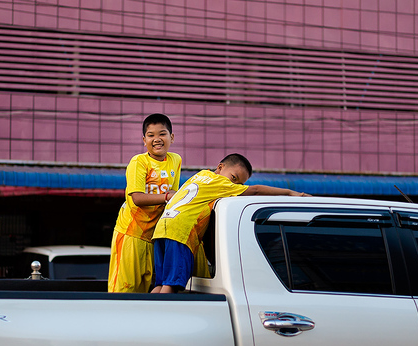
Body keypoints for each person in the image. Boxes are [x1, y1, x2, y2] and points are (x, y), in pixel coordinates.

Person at [151, 153, 310, 293]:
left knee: (160, 283)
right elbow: (255, 190)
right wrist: (290, 192)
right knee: (171, 285)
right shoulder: (220, 183)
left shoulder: (201, 175)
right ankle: (161, 316)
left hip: (162, 229)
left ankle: (148, 313)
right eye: (234, 178)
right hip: (180, 233)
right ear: (220, 167)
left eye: (239, 184)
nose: (234, 186)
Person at [108, 113, 182, 293]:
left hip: (153, 237)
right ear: (144, 140)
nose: (157, 139)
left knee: (144, 292)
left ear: (172, 137)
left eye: (162, 134)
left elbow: (172, 200)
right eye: (151, 135)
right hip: (131, 234)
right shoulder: (138, 162)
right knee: (124, 292)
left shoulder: (175, 160)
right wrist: (167, 196)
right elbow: (138, 198)